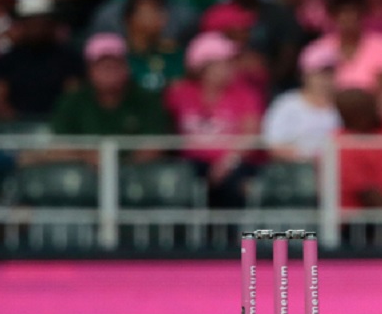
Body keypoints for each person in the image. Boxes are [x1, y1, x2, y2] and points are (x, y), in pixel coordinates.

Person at [164, 31, 265, 207]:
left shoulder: (246, 94)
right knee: (177, 182)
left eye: (231, 62)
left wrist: (227, 163)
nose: (231, 68)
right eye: (223, 63)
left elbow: (251, 135)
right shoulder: (179, 93)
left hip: (235, 165)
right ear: (202, 67)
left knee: (235, 186)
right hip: (191, 165)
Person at [50, 33, 171, 163]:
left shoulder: (147, 100)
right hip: (84, 170)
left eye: (115, 64)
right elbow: (59, 146)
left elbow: (154, 144)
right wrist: (88, 158)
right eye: (102, 65)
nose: (109, 70)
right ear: (89, 69)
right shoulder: (73, 102)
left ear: (126, 67)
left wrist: (120, 166)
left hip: (137, 171)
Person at [261, 47, 342, 162]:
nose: (325, 79)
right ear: (305, 75)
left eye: (330, 73)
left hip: (334, 166)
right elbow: (273, 145)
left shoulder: (342, 105)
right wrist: (308, 159)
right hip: (295, 167)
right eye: (320, 73)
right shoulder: (286, 104)